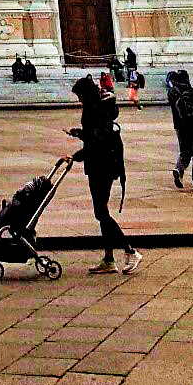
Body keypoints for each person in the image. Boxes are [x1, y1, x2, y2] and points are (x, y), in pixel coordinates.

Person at [68, 75, 139, 274]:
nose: (79, 100)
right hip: (98, 164)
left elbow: (100, 140)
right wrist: (79, 134)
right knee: (102, 212)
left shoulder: (98, 110)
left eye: (80, 96)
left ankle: (129, 250)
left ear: (87, 94)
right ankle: (109, 258)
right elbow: (94, 135)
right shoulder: (94, 108)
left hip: (103, 165)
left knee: (101, 212)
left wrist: (78, 155)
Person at [167, 70, 193, 191]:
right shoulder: (190, 90)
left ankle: (179, 170)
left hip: (180, 125)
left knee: (185, 150)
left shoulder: (172, 92)